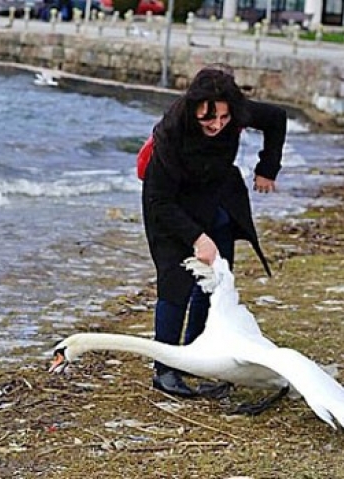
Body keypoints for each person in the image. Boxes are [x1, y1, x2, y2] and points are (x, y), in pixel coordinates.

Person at [141, 64, 287, 397]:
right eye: (209, 119)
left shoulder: (234, 112)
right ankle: (165, 370)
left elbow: (276, 118)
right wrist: (197, 238)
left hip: (217, 197)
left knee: (215, 282)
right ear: (194, 109)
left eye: (224, 119)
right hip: (170, 206)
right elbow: (159, 201)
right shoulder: (171, 133)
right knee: (175, 283)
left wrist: (268, 168)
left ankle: (200, 356)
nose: (217, 125)